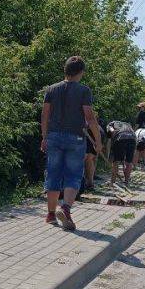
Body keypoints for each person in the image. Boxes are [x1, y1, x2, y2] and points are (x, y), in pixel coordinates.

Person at [41, 56, 102, 231]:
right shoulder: (84, 91)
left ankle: (51, 214)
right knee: (73, 175)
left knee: (53, 173)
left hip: (53, 136)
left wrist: (44, 137)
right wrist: (98, 141)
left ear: (65, 70)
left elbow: (45, 115)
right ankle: (66, 208)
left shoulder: (51, 89)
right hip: (75, 138)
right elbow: (90, 118)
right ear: (81, 72)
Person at [106, 121, 136, 185]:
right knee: (128, 162)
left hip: (120, 138)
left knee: (116, 161)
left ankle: (112, 181)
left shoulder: (110, 125)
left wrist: (108, 156)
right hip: (132, 138)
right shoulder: (127, 124)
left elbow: (112, 134)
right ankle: (126, 181)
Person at [83, 117, 106, 192]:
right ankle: (90, 183)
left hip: (92, 132)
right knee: (89, 158)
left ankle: (83, 183)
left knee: (84, 158)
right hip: (99, 132)